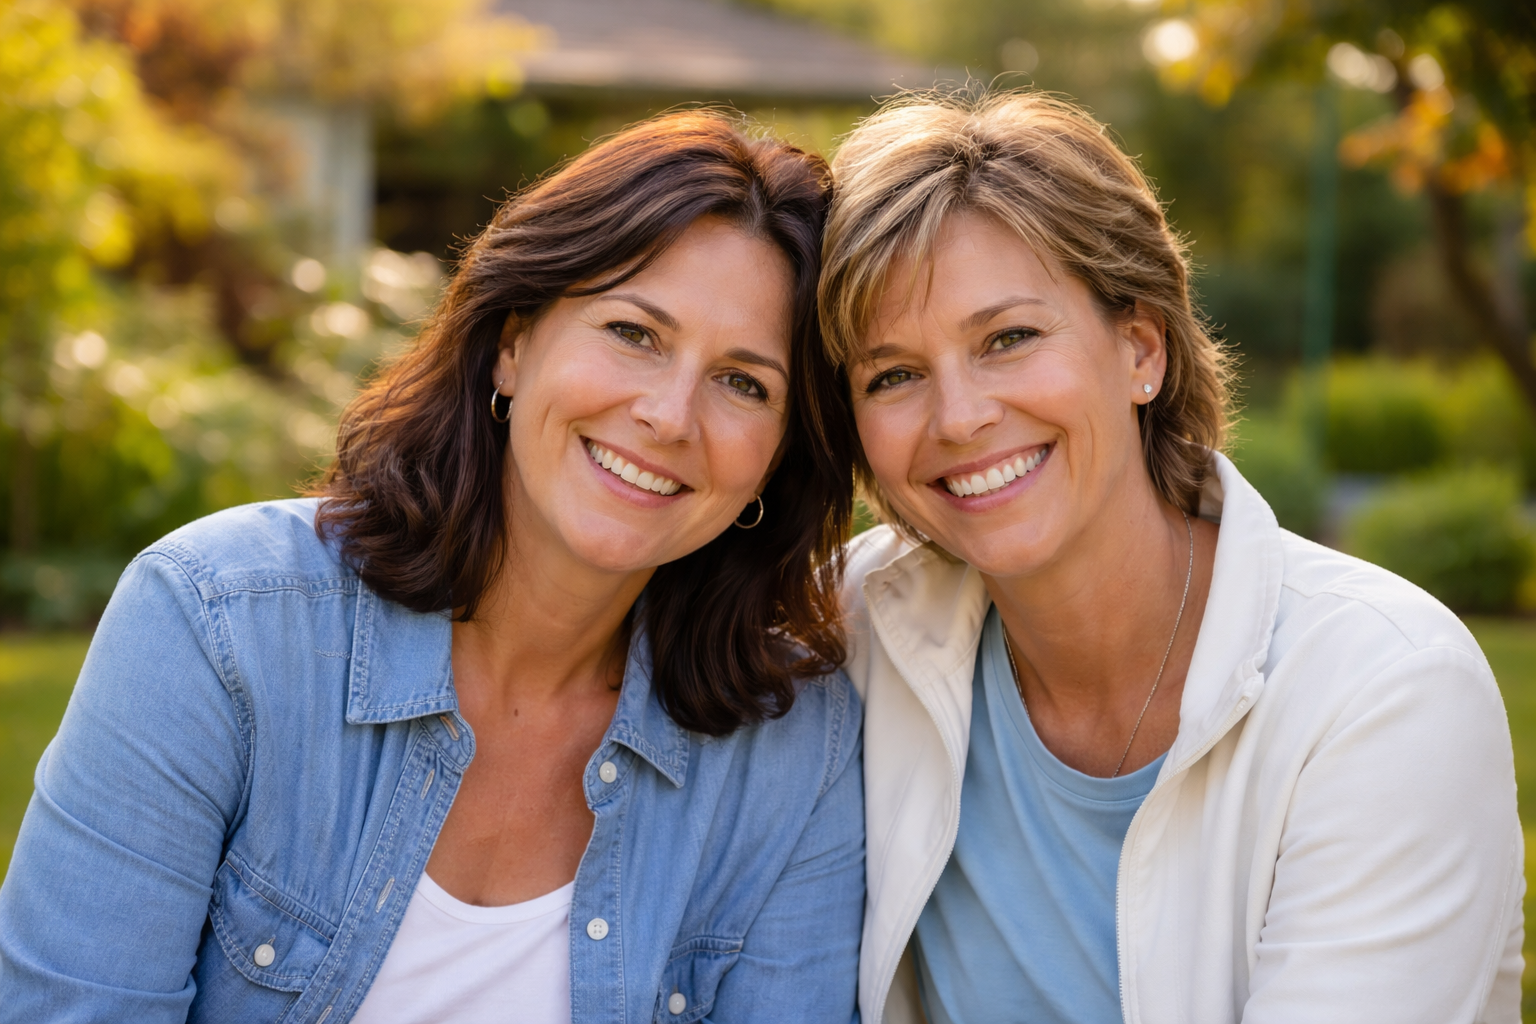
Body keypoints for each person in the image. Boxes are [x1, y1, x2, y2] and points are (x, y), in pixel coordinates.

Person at [0, 111, 866, 1024]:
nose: (670, 414)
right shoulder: (219, 625)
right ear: (512, 344)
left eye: (744, 383)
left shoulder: (792, 748)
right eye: (632, 331)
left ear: (780, 453)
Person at [818, 90, 1522, 1024]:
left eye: (1010, 339)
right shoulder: (854, 631)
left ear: (1141, 348)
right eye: (893, 374)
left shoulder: (1385, 691)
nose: (959, 418)